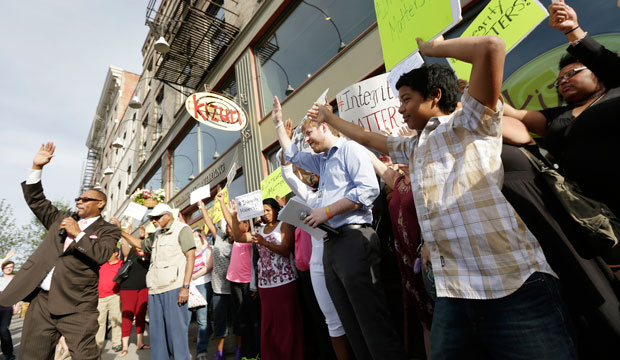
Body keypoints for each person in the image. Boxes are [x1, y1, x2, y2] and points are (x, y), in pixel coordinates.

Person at [308, 35, 577, 358]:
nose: (400, 109)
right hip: (453, 294)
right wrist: (328, 118)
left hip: (512, 284)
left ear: (435, 95)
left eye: (406, 98)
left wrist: (432, 50)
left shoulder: (472, 122)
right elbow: (367, 137)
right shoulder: (413, 146)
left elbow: (490, 48)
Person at [274, 96, 407, 360]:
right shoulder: (322, 161)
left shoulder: (351, 150)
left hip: (354, 240)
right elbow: (291, 156)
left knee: (371, 321)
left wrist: (325, 212)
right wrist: (278, 124)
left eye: (309, 134)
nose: (307, 141)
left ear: (324, 126)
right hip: (332, 246)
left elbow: (368, 190)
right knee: (350, 322)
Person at [0, 142, 120, 360]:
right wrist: (37, 167)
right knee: (31, 356)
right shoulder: (61, 219)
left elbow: (102, 255)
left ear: (100, 203)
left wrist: (78, 234)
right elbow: (37, 201)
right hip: (42, 302)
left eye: (86, 199)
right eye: (78, 199)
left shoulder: (108, 230)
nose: (79, 202)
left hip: (78, 304)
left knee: (86, 356)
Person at [503, 0, 620, 218]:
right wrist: (476, 92)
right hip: (596, 214)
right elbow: (514, 114)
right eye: (559, 81)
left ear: (597, 72)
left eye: (572, 73)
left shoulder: (616, 93)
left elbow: (601, 58)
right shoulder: (559, 117)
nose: (563, 81)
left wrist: (572, 30)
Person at [281, 160, 349, 360]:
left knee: (352, 315)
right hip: (317, 264)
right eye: (313, 175)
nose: (314, 177)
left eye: (317, 174)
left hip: (342, 256)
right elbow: (290, 177)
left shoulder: (341, 191)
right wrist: (286, 161)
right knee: (332, 320)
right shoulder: (311, 197)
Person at [368, 153, 434, 358]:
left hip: (431, 262)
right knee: (426, 322)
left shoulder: (428, 176)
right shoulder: (398, 181)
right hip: (408, 263)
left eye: (404, 148)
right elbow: (375, 161)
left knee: (446, 321)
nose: (397, 154)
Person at [228, 195, 304, 359]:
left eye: (268, 210)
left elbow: (285, 250)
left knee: (286, 322)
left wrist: (265, 243)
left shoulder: (284, 225)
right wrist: (234, 216)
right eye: (263, 211)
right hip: (266, 286)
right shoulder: (259, 231)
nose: (265, 214)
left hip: (285, 282)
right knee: (270, 324)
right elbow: (239, 237)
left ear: (276, 210)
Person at [120, 203, 196, 360]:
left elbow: (191, 257)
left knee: (177, 335)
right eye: (152, 218)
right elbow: (140, 244)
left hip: (174, 288)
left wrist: (185, 287)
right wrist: (121, 232)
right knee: (157, 336)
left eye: (157, 217)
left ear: (168, 216)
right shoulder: (156, 234)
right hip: (155, 290)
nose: (154, 220)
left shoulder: (183, 229)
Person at [220, 195, 261, 359]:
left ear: (248, 224)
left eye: (241, 222)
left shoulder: (253, 237)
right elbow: (229, 220)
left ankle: (256, 352)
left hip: (247, 284)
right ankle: (247, 353)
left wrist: (255, 286)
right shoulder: (237, 235)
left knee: (252, 320)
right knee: (241, 319)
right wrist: (225, 205)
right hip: (234, 282)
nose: (236, 225)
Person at [199, 197, 234, 360]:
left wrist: (225, 207)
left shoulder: (241, 241)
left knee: (238, 321)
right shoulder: (220, 237)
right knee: (219, 321)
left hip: (235, 288)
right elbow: (210, 224)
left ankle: (239, 350)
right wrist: (203, 208)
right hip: (219, 289)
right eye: (226, 225)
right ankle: (220, 352)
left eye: (230, 224)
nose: (228, 227)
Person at [112, 219, 150, 357]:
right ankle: (125, 348)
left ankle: (140, 343)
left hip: (143, 288)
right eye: (136, 244)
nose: (138, 246)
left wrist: (144, 235)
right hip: (128, 289)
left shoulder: (148, 255)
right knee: (127, 317)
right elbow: (125, 245)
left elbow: (146, 245)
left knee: (141, 316)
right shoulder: (130, 254)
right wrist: (126, 231)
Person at [188, 226, 213, 360]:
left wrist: (193, 276)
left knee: (202, 319)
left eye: (197, 236)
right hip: (189, 287)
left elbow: (208, 267)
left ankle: (201, 351)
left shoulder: (207, 250)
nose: (194, 239)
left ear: (201, 238)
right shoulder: (188, 252)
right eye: (192, 237)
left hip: (202, 285)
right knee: (191, 319)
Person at [95, 248, 123, 353]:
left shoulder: (121, 264)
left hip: (115, 295)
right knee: (100, 321)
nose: (106, 255)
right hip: (100, 297)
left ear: (116, 253)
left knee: (116, 319)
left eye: (109, 253)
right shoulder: (101, 264)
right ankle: (99, 344)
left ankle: (116, 343)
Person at [0, 257, 18, 360]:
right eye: (7, 267)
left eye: (11, 267)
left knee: (3, 330)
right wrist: (5, 258)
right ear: (2, 268)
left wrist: (17, 306)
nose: (9, 269)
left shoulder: (15, 278)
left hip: (7, 307)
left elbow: (18, 294)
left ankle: (8, 353)